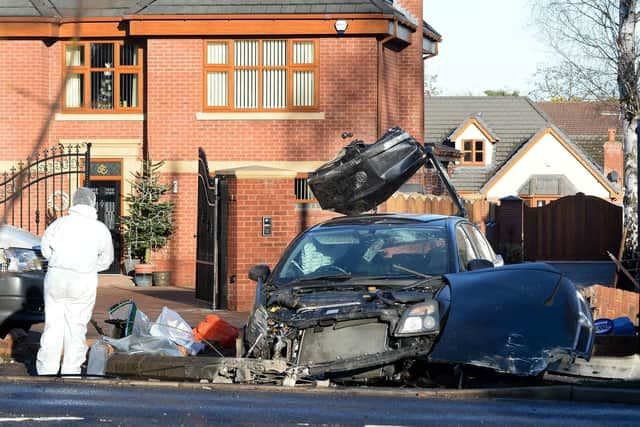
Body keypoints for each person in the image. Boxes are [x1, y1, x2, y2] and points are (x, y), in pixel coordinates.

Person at [36, 187, 114, 376]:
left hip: (56, 276)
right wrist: (89, 266)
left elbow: (45, 249)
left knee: (53, 324)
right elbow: (107, 259)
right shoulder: (99, 229)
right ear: (92, 203)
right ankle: (71, 369)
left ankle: (47, 368)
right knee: (76, 325)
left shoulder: (59, 224)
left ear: (74, 202)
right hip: (82, 279)